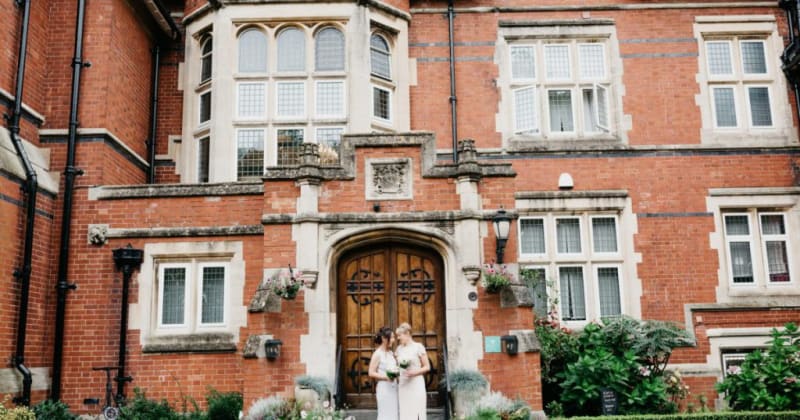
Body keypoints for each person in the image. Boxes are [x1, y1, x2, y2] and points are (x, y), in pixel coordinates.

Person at [395, 322, 430, 420]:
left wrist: (415, 372)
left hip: (416, 383)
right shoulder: (399, 349)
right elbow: (399, 367)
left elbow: (427, 367)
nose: (398, 338)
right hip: (403, 384)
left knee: (418, 411)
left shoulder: (418, 347)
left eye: (399, 335)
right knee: (405, 412)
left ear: (407, 334)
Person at [368, 326, 399, 420]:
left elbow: (395, 368)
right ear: (384, 339)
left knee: (394, 414)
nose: (393, 340)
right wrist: (386, 377)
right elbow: (371, 372)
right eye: (392, 337)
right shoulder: (377, 354)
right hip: (384, 389)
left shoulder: (391, 353)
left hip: (394, 388)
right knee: (385, 415)